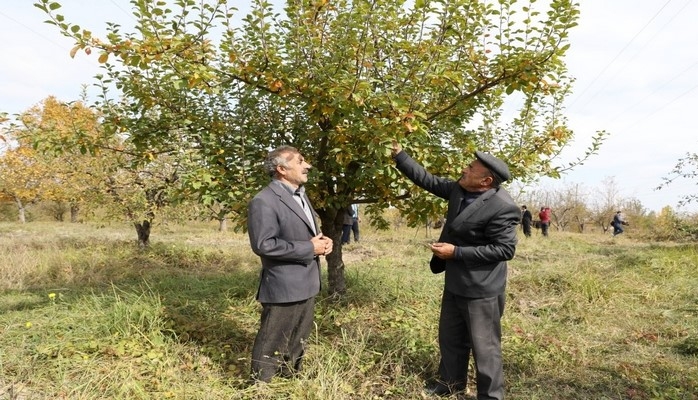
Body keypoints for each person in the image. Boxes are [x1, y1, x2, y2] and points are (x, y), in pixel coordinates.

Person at [391, 141, 519, 400]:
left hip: (481, 288)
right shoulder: (459, 190)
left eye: (470, 168)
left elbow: (504, 250)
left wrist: (456, 253)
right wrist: (399, 155)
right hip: (456, 282)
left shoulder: (503, 207)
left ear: (486, 181)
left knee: (485, 347)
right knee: (450, 338)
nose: (464, 169)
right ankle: (451, 384)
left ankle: (491, 395)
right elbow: (427, 180)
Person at [247, 145, 333, 383]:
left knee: (298, 338)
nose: (308, 166)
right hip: (283, 284)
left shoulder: (301, 195)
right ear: (281, 169)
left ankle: (289, 379)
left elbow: (304, 233)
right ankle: (260, 386)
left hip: (307, 282)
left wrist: (323, 242)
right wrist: (309, 248)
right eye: (300, 161)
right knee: (272, 339)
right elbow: (263, 245)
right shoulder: (263, 201)